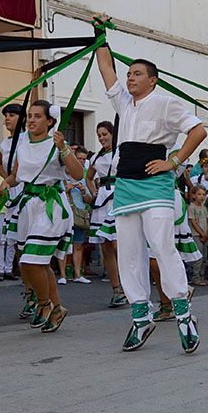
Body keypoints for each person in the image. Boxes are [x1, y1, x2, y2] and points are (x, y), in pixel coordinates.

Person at [94, 33, 205, 354]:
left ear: (153, 80)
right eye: (128, 73)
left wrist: (173, 161)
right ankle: (141, 317)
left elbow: (198, 130)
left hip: (156, 186)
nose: (129, 77)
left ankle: (184, 314)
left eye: (137, 73)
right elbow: (105, 68)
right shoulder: (123, 103)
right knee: (128, 251)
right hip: (126, 186)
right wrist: (99, 36)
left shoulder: (166, 102)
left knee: (161, 245)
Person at [0, 101, 83, 333]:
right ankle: (55, 307)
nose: (32, 120)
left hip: (51, 205)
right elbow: (17, 174)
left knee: (31, 261)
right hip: (28, 205)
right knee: (36, 264)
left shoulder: (56, 143)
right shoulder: (23, 142)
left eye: (38, 116)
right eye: (30, 115)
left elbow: (78, 173)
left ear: (50, 121)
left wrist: (64, 149)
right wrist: (7, 183)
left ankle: (45, 305)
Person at [84, 120, 127, 308]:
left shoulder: (122, 151)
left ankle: (128, 286)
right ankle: (116, 289)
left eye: (104, 134)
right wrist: (93, 191)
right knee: (106, 247)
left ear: (112, 133)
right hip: (103, 200)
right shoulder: (96, 158)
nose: (101, 138)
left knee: (120, 246)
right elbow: (88, 176)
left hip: (119, 197)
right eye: (99, 135)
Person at [0, 104, 24, 282]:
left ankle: (18, 267)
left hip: (26, 187)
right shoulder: (4, 144)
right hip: (12, 188)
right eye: (6, 115)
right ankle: (5, 268)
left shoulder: (27, 139)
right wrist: (7, 179)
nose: (7, 118)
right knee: (8, 232)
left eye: (12, 115)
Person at [186, 185, 208, 285]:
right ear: (194, 195)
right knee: (198, 257)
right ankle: (196, 277)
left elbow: (207, 221)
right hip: (196, 235)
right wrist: (201, 233)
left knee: (204, 257)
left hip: (204, 235)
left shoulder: (204, 208)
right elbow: (193, 222)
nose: (201, 197)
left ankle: (202, 276)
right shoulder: (192, 208)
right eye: (199, 194)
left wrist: (206, 233)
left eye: (203, 195)